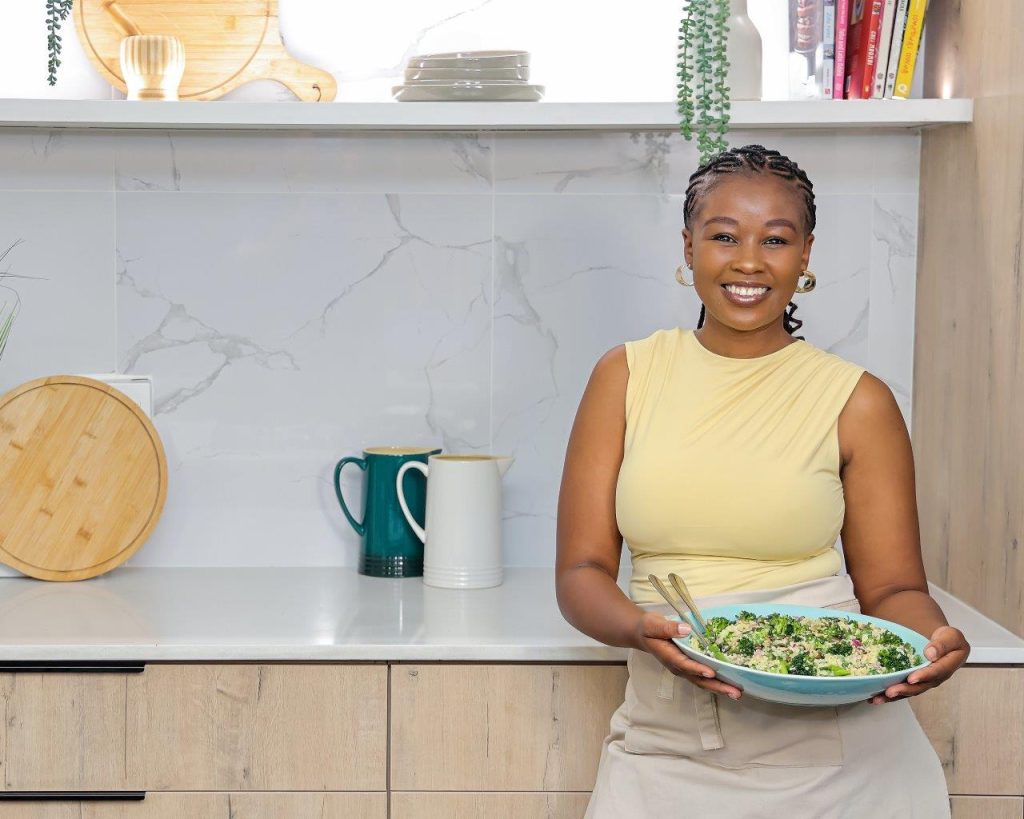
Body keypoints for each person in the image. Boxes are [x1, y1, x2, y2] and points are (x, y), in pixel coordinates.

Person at [555, 144, 970, 818]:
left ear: (806, 254)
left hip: (841, 755)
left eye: (775, 239)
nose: (749, 261)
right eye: (723, 236)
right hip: (666, 745)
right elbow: (580, 570)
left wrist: (933, 642)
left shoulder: (857, 400)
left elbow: (894, 587)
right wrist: (641, 627)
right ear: (688, 246)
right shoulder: (625, 377)